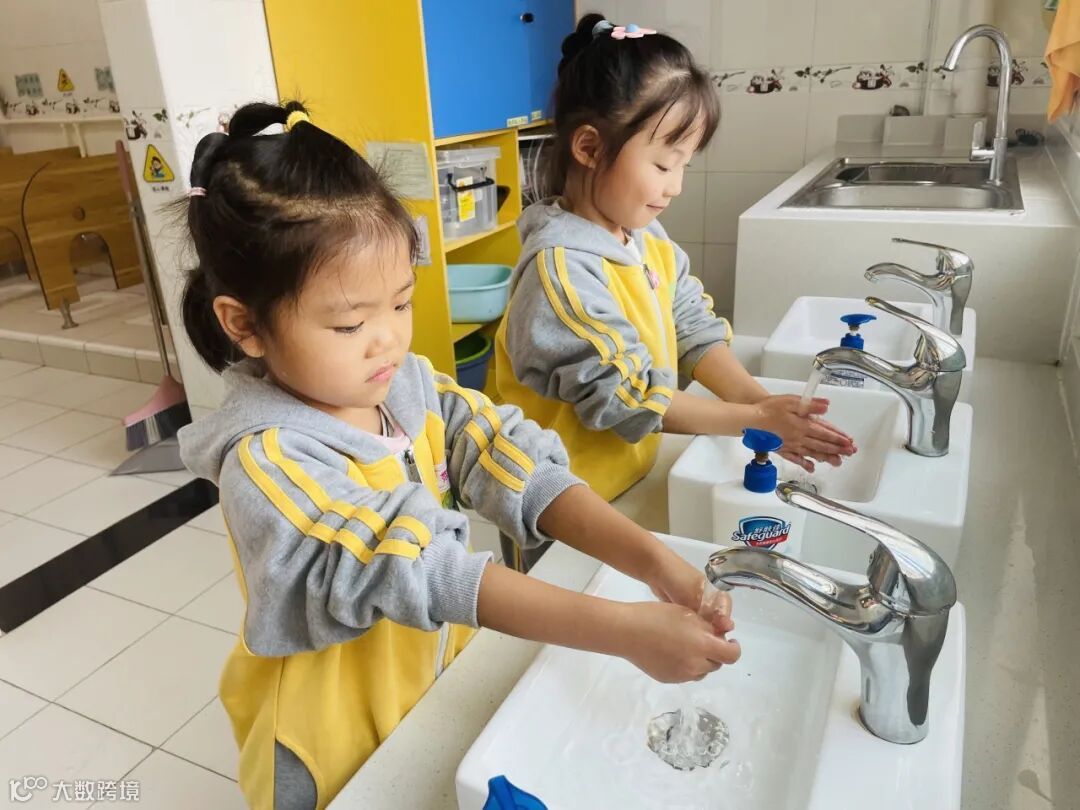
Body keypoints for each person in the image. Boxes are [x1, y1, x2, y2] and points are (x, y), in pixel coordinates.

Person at [175, 101, 740, 810]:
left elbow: (507, 458)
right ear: (245, 324)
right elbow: (417, 568)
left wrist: (655, 563)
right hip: (333, 739)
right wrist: (624, 631)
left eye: (400, 303)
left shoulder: (407, 388)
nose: (388, 339)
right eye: (349, 324)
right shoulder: (270, 462)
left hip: (428, 681)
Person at [496, 15, 856, 515]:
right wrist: (752, 419)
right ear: (589, 148)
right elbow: (625, 396)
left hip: (624, 482)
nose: (676, 186)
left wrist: (762, 404)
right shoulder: (561, 272)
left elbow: (690, 324)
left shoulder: (643, 236)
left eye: (685, 165)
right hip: (561, 507)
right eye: (664, 165)